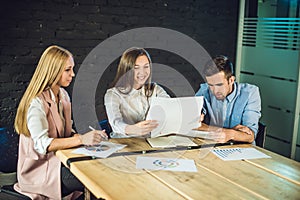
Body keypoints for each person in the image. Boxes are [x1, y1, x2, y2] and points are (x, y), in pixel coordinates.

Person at [14, 45, 107, 199]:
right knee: (94, 177)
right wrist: (80, 139)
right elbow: (43, 144)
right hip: (40, 171)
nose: (73, 74)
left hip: (59, 161)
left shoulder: (63, 95)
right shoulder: (36, 102)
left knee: (99, 167)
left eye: (72, 69)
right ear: (53, 71)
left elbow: (66, 133)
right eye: (67, 70)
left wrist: (88, 138)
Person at [104, 47, 170, 138]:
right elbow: (115, 123)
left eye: (146, 67)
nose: (142, 72)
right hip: (125, 143)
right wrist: (133, 129)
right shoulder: (113, 94)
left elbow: (170, 106)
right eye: (136, 68)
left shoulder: (156, 89)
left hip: (150, 142)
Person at [195, 55, 261, 144]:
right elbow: (193, 125)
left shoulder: (250, 93)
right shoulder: (204, 90)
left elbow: (250, 136)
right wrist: (229, 132)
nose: (214, 91)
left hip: (242, 150)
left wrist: (230, 134)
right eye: (211, 85)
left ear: (231, 80)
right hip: (212, 147)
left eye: (219, 85)